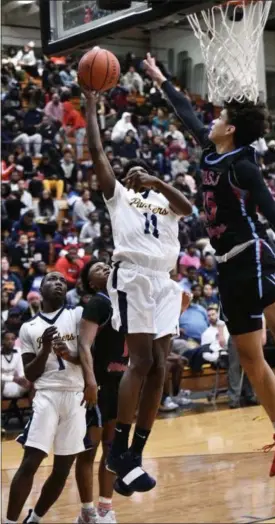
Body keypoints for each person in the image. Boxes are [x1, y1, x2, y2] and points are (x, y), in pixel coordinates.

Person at [143, 53, 275, 476]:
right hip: (227, 268)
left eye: (219, 116)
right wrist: (161, 80)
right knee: (246, 355)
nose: (211, 119)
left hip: (254, 255)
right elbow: (187, 113)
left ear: (230, 129)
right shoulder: (211, 151)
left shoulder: (243, 165)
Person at [83, 86, 192, 496]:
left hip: (164, 280)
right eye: (134, 173)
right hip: (133, 277)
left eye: (143, 173)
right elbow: (97, 154)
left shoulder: (164, 203)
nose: (137, 176)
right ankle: (119, 449)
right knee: (142, 360)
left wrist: (159, 181)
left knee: (161, 366)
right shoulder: (120, 198)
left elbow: (188, 208)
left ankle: (133, 455)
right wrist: (92, 105)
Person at [5, 272, 88, 524]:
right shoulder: (29, 327)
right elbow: (30, 373)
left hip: (76, 395)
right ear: (41, 289)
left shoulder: (78, 315)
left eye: (63, 281)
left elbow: (90, 353)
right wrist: (45, 350)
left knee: (63, 468)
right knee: (31, 460)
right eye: (52, 280)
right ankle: (9, 521)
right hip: (47, 395)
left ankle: (36, 518)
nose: (59, 283)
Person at [75, 260, 128, 524]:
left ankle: (105, 508)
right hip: (99, 386)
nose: (105, 268)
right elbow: (83, 345)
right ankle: (86, 512)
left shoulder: (125, 299)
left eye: (106, 265)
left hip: (120, 385)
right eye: (97, 268)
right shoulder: (98, 302)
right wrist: (90, 381)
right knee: (89, 450)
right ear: (91, 283)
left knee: (111, 449)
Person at [1, 331, 30, 399]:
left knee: (32, 383)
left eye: (13, 339)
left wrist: (22, 378)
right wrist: (13, 378)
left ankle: (32, 407)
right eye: (7, 339)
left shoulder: (18, 351)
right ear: (2, 341)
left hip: (15, 381)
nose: (10, 341)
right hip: (3, 381)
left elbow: (20, 369)